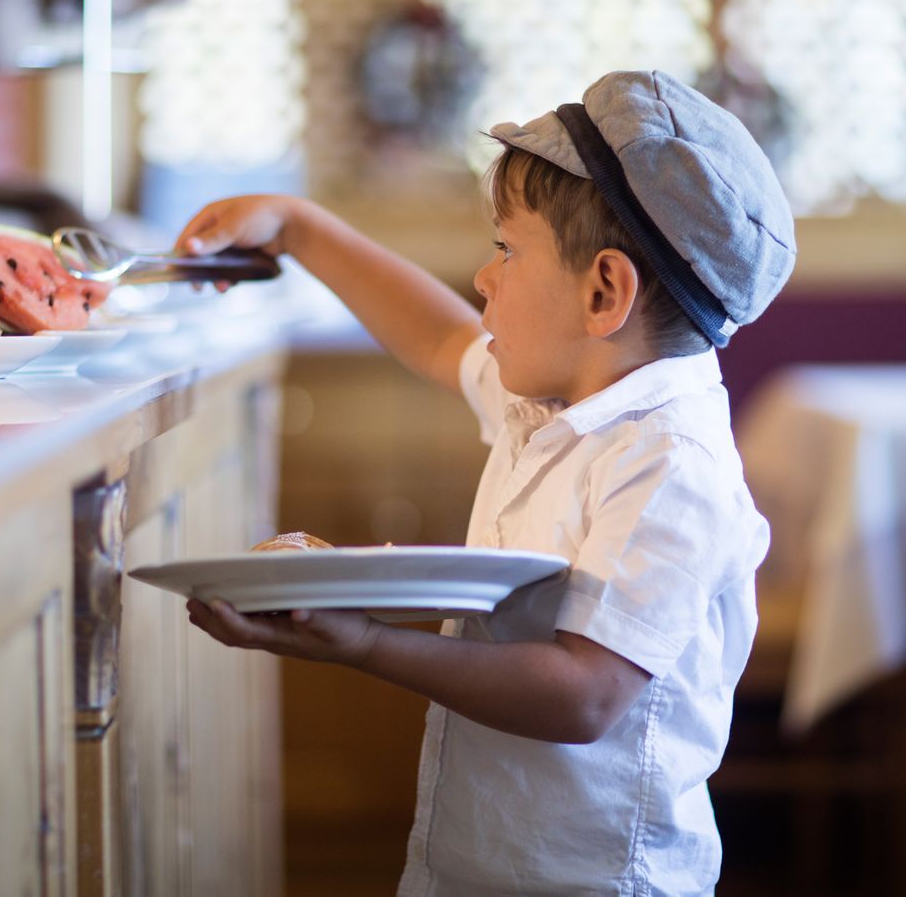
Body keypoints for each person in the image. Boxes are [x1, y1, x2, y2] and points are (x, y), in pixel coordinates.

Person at [176, 70, 795, 896]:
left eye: (507, 249)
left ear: (604, 291)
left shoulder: (670, 463)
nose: (484, 278)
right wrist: (299, 228)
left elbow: (584, 694)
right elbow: (437, 337)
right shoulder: (560, 394)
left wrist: (364, 642)